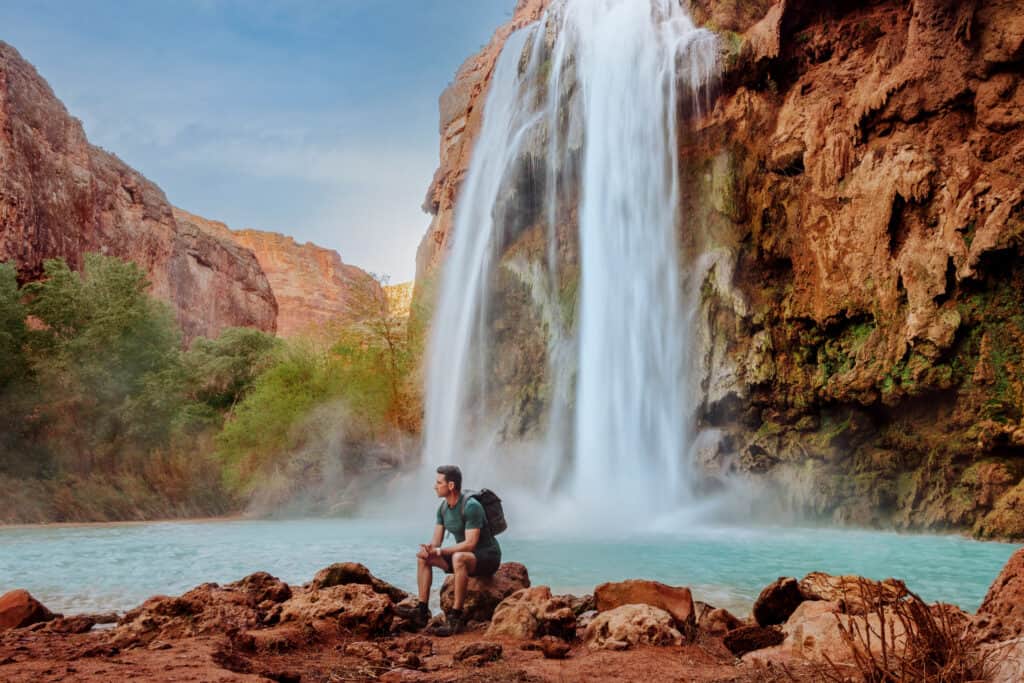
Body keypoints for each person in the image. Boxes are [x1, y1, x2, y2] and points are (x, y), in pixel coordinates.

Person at [396, 465, 502, 635]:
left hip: (487, 557)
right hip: (463, 557)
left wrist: (440, 551)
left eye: (439, 483)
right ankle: (422, 611)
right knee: (423, 557)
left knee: (458, 557)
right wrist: (430, 549)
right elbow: (436, 542)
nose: (435, 486)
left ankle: (455, 618)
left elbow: (470, 544)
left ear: (451, 485)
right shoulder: (443, 508)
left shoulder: (471, 506)